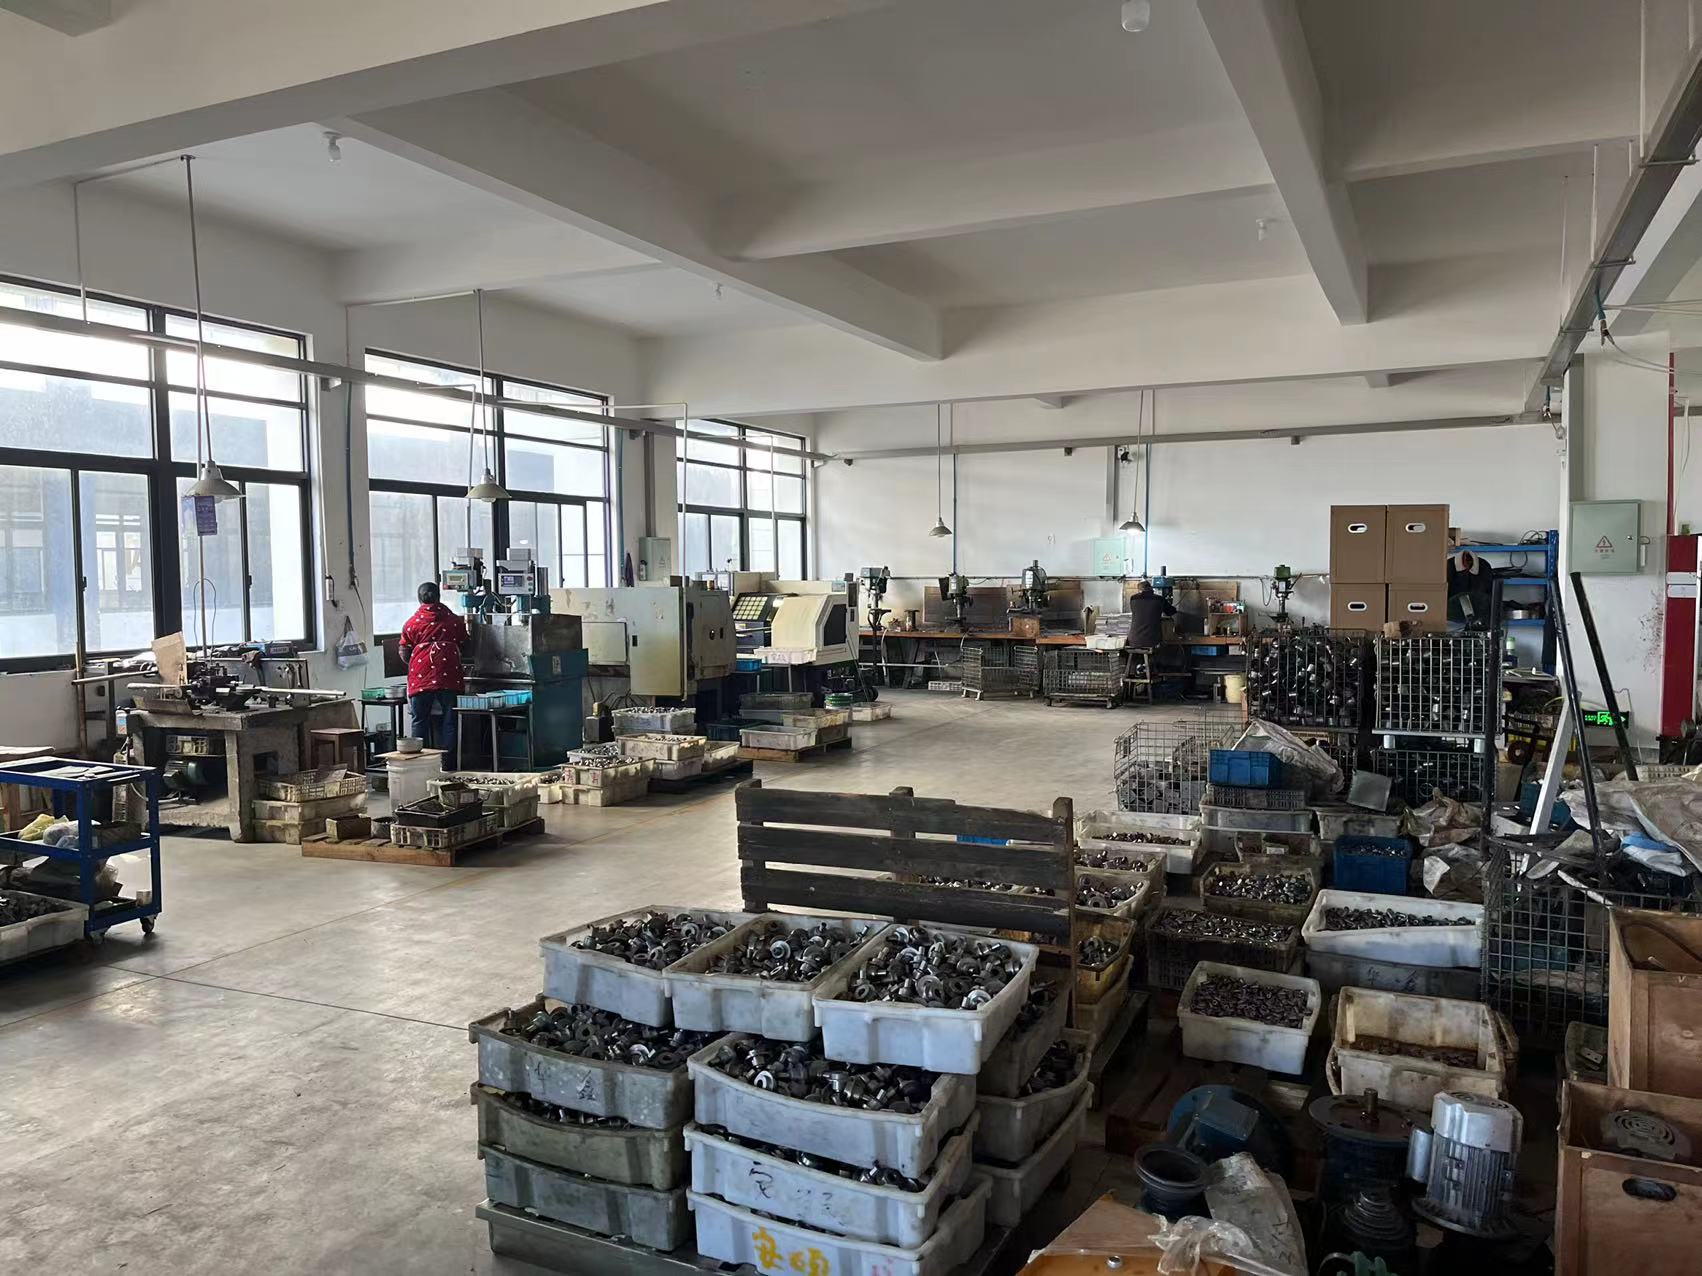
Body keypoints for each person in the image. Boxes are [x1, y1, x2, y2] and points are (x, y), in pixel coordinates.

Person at [398, 581, 469, 765]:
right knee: (450, 721)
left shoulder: (411, 624)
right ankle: (448, 765)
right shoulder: (454, 621)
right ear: (438, 597)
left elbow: (404, 652)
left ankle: (419, 764)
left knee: (419, 721)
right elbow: (466, 644)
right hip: (450, 676)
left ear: (419, 599)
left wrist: (420, 662)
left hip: (420, 678)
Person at [1126, 578, 1176, 650]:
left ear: (1139, 590)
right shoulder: (1159, 599)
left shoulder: (1133, 598)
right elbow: (1171, 612)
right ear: (1151, 588)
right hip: (1152, 640)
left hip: (1133, 640)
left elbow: (1141, 612)